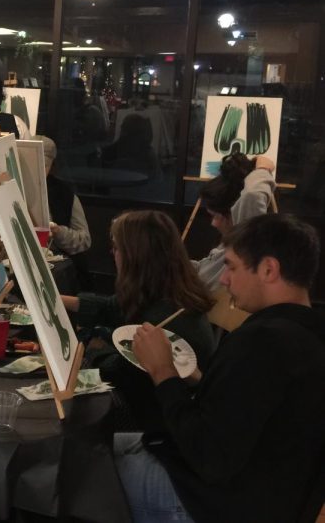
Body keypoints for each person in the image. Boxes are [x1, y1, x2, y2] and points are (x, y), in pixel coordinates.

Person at [120, 214, 325, 523]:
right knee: (113, 443)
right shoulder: (308, 332)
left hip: (221, 506)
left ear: (269, 269)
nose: (225, 279)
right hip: (276, 499)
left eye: (231, 266)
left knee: (90, 470)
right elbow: (247, 415)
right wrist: (199, 378)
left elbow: (207, 457)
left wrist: (163, 371)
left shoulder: (267, 341)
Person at [61, 211, 215, 429]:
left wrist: (93, 349)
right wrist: (54, 299)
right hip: (152, 410)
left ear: (136, 256)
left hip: (155, 428)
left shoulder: (167, 315)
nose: (112, 254)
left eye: (116, 248)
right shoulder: (164, 289)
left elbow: (118, 370)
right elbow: (112, 306)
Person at [193, 153, 275, 292]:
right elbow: (205, 270)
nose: (214, 223)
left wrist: (262, 169)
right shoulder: (229, 243)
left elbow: (252, 195)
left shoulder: (245, 242)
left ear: (234, 212)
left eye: (217, 216)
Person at [36, 135, 91, 256]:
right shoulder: (10, 189)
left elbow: (85, 240)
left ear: (51, 166)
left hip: (54, 262)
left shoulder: (64, 193)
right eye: (32, 163)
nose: (37, 170)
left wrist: (59, 232)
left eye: (43, 165)